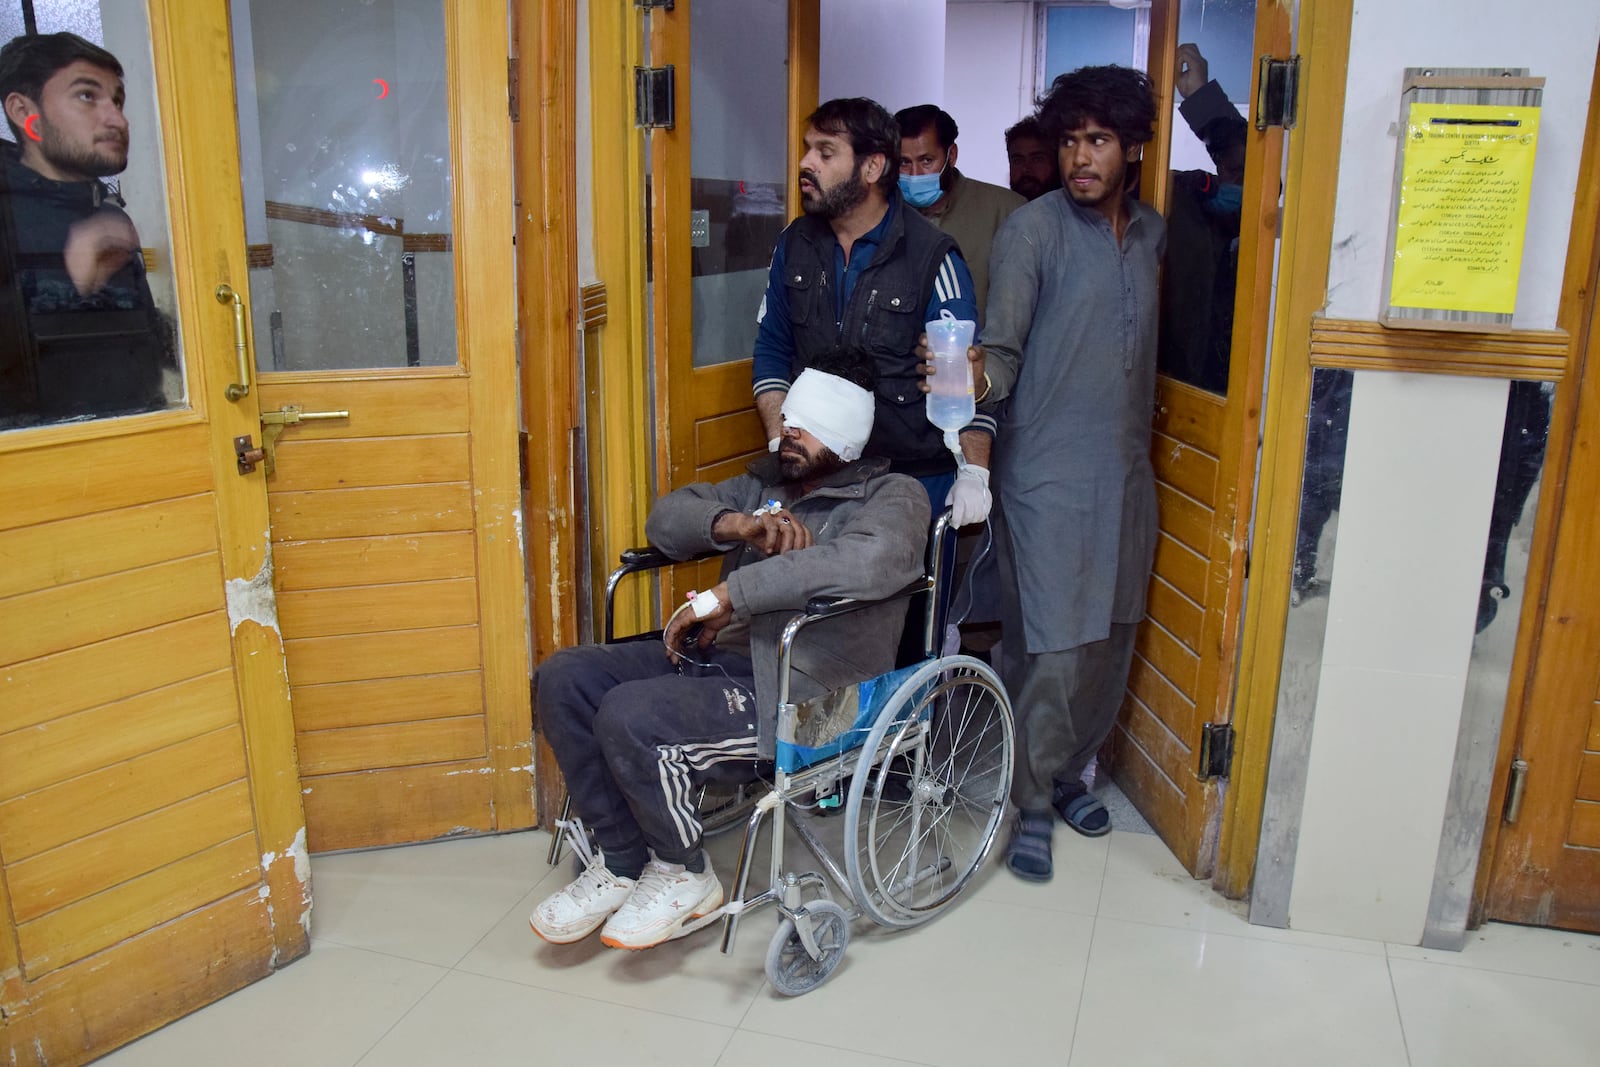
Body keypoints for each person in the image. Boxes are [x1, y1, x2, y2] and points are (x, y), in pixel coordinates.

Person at [529, 358, 930, 949]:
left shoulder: (893, 496)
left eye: (809, 423)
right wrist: (736, 525)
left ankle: (683, 872)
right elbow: (666, 518)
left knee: (631, 715)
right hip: (726, 662)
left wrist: (728, 593)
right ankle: (620, 860)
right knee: (564, 678)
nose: (789, 430)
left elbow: (869, 562)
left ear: (848, 435)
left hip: (809, 692)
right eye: (790, 417)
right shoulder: (764, 486)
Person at [975, 65, 1165, 881]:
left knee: (1110, 637)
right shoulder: (1034, 231)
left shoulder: (1155, 235)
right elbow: (1003, 350)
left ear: (1134, 148)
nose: (1079, 157)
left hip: (1124, 473)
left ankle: (1067, 770)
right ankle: (1031, 803)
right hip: (1044, 472)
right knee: (1050, 645)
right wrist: (967, 382)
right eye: (1070, 139)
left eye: (1098, 140)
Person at [752, 97, 993, 530]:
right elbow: (773, 348)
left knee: (902, 597)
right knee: (812, 594)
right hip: (818, 480)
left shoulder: (932, 258)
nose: (806, 163)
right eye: (808, 149)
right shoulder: (795, 244)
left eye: (825, 153)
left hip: (911, 480)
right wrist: (779, 442)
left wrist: (975, 472)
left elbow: (965, 377)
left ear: (872, 167)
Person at [0, 31, 172, 428]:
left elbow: (134, 328)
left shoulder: (106, 211)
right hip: (42, 464)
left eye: (117, 100)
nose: (116, 118)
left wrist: (197, 336)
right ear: (25, 112)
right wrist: (74, 282)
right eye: (86, 96)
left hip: (148, 444)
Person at [1159, 42, 1250, 394]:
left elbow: (1258, 170)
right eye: (1231, 169)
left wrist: (1199, 96)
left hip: (1221, 385)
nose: (1237, 179)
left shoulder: (1251, 219)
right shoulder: (1186, 196)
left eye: (1246, 172)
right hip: (1168, 377)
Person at [894, 104, 1024, 324]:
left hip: (975, 353)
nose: (915, 175)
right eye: (904, 163)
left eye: (926, 161)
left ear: (951, 155)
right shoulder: (883, 215)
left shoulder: (1007, 210)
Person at [1003, 114, 1061, 202]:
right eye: (1018, 161)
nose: (1026, 169)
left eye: (1037, 159)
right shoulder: (999, 212)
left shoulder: (1076, 212)